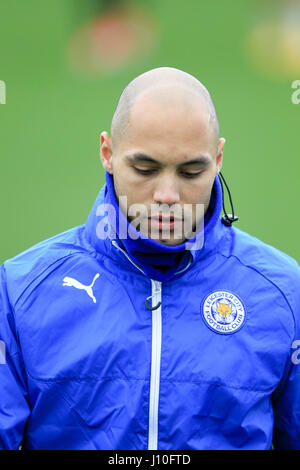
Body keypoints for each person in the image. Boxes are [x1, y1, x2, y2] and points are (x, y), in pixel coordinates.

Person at [1, 67, 300, 450]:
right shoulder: (19, 290)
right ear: (107, 153)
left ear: (219, 158)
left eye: (192, 171)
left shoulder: (283, 292)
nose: (167, 194)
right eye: (145, 169)